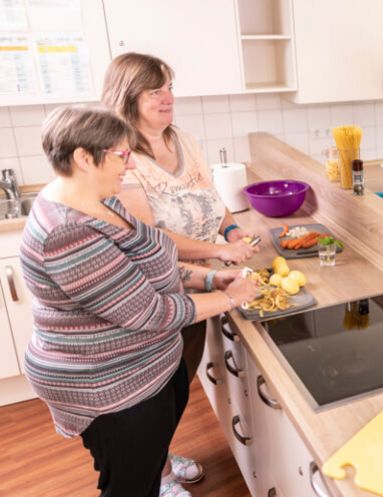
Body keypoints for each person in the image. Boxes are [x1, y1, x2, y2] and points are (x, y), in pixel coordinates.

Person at [21, 106, 257, 497]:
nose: (129, 166)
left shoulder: (99, 199)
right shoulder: (65, 233)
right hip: (109, 385)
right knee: (129, 487)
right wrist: (228, 298)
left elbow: (150, 265)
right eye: (121, 155)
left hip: (144, 370)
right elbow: (149, 311)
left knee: (145, 473)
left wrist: (211, 276)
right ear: (83, 157)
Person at [102, 52, 258, 487]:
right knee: (152, 394)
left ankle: (160, 459)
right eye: (156, 91)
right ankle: (158, 475)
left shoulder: (184, 140)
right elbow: (149, 238)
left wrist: (231, 231)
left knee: (175, 386)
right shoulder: (124, 157)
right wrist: (217, 252)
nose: (168, 98)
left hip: (201, 286)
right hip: (158, 293)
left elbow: (211, 199)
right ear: (128, 97)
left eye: (170, 87)